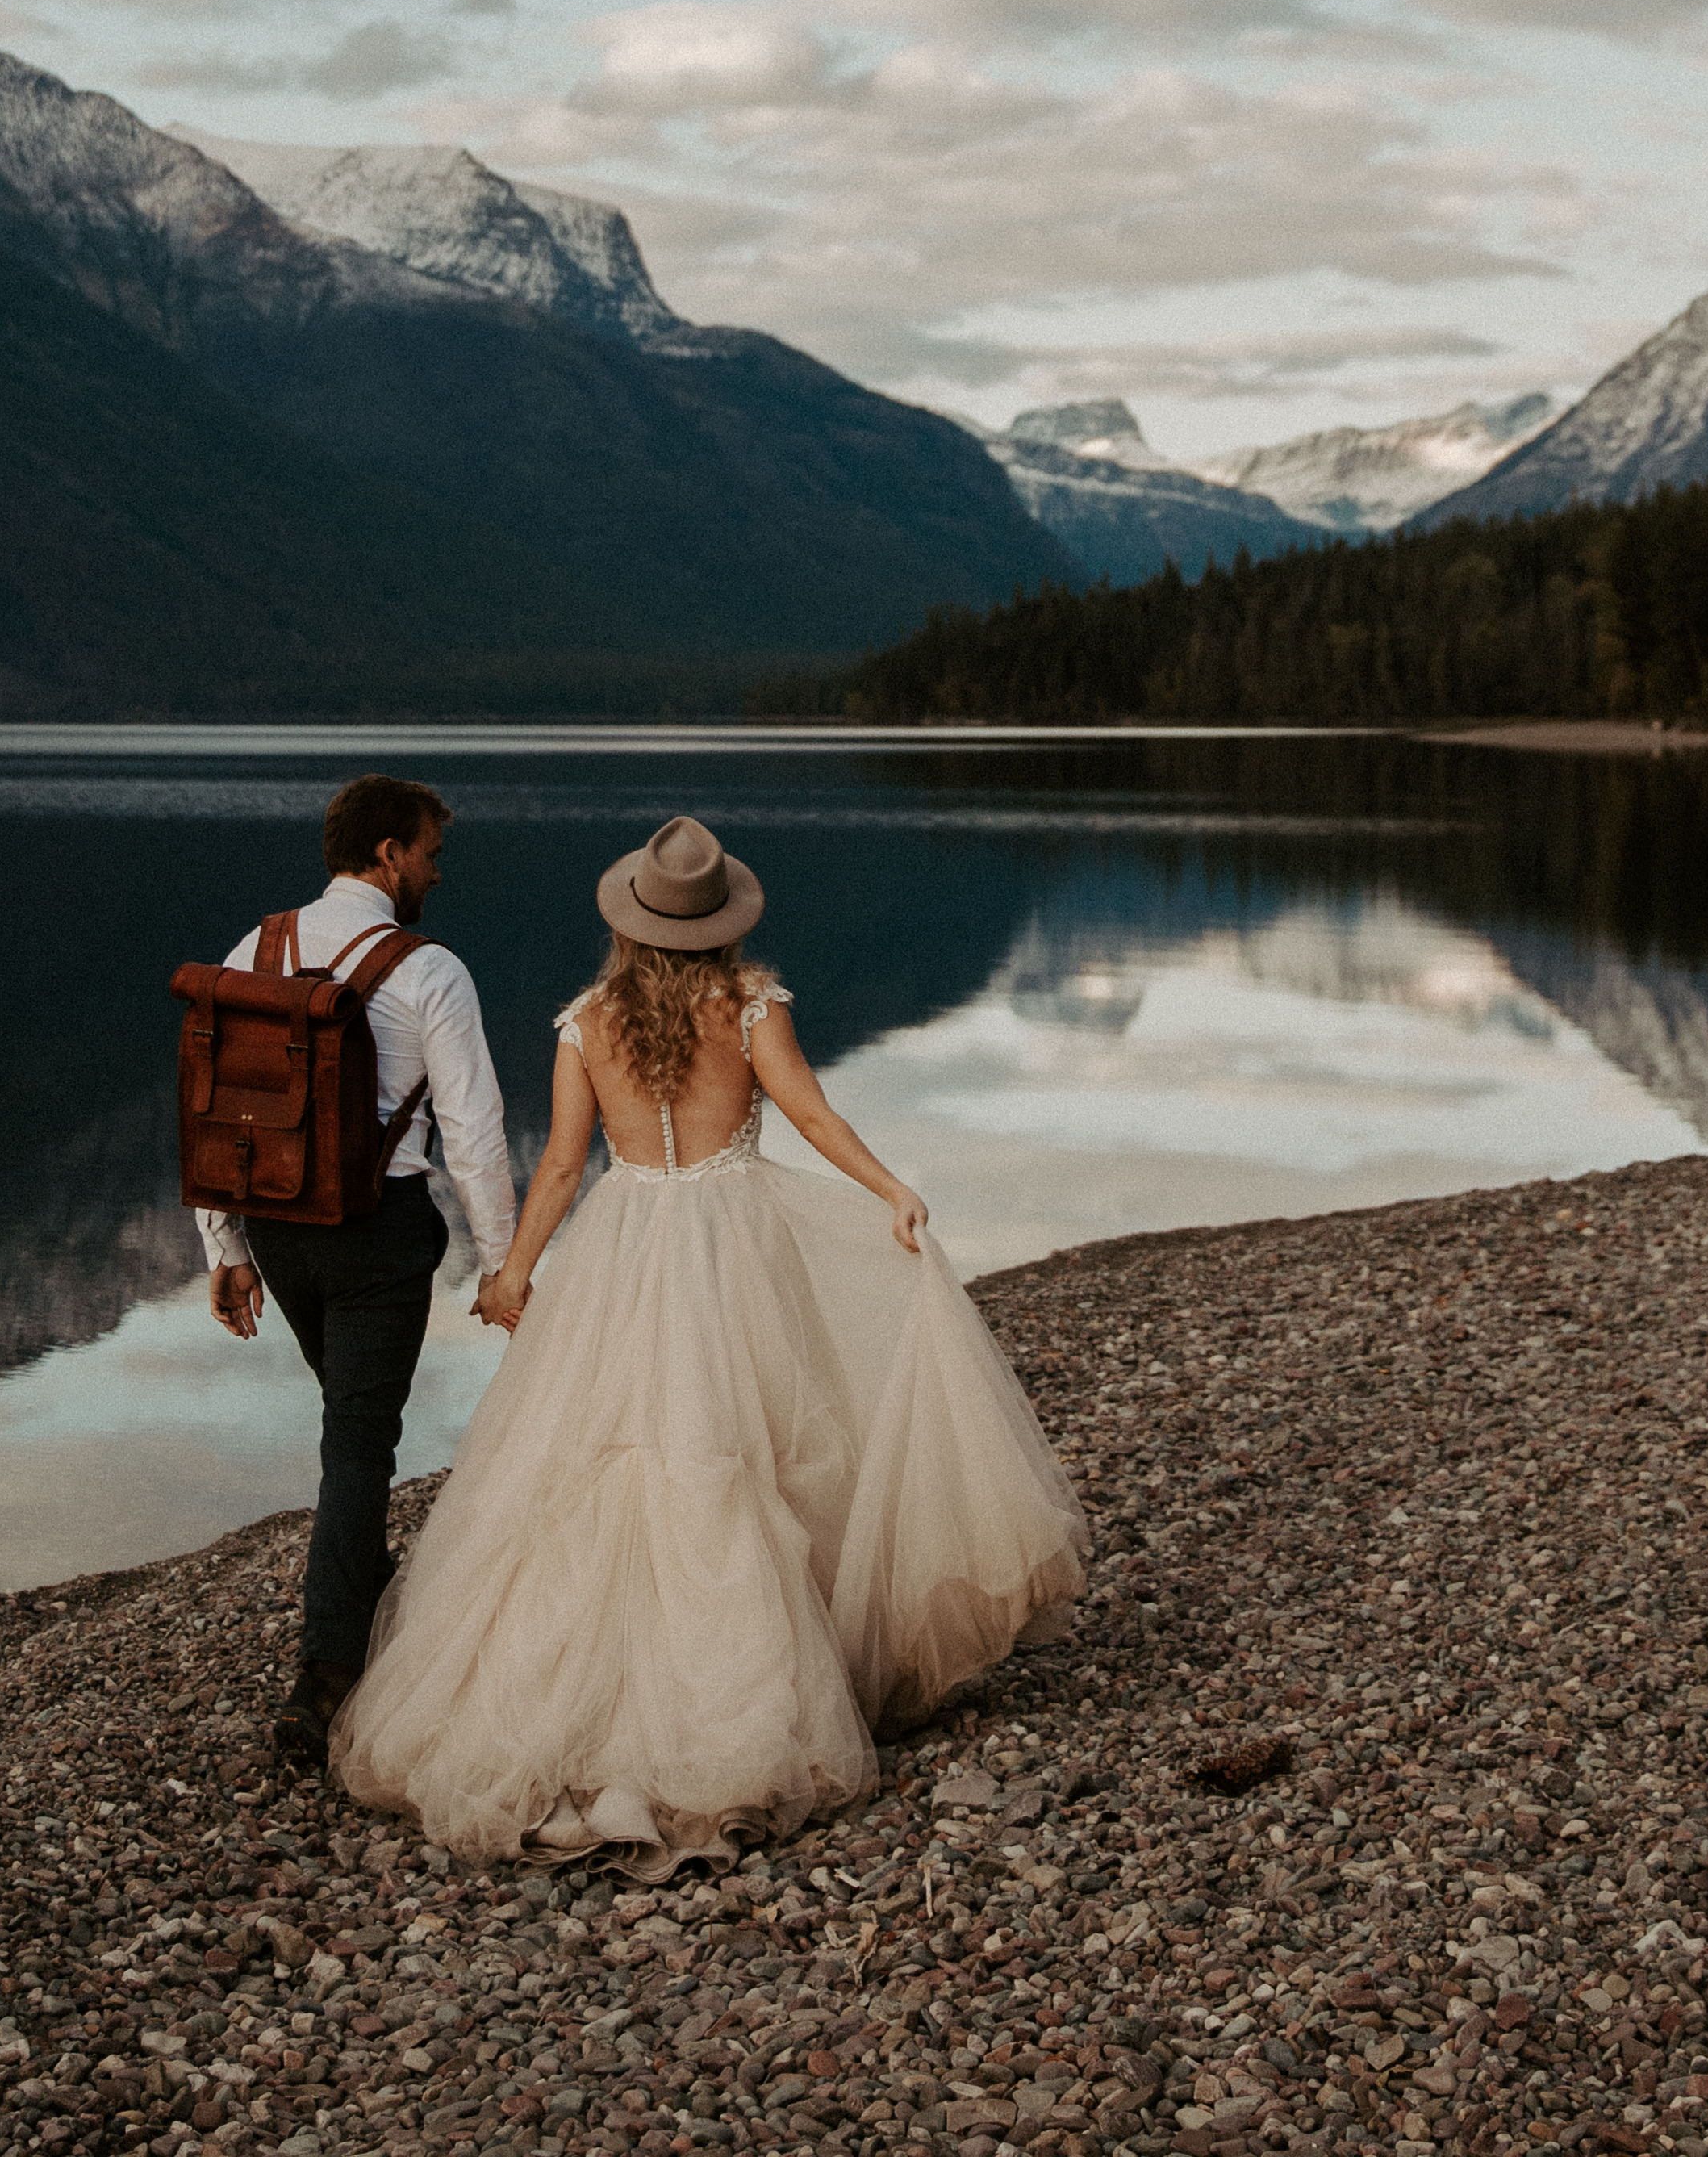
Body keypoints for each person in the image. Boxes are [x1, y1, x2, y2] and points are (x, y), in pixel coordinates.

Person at [329, 814, 1088, 1866]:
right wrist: (890, 1192)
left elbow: (557, 1169)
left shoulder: (587, 1023)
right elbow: (813, 1117)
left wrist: (513, 1272)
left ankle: (588, 1703)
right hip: (737, 1239)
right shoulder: (750, 1010)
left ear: (632, 922)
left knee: (605, 1460)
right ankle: (734, 1705)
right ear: (720, 921)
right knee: (747, 1453)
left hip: (626, 1244)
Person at [202, 771, 517, 1771]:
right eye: (428, 850)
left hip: (279, 1226)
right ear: (388, 854)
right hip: (377, 1232)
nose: (434, 868)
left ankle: (367, 1596)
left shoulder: (257, 947)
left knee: (351, 1419)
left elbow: (222, 1104)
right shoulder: (429, 969)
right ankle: (326, 1677)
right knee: (358, 1444)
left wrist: (227, 1247)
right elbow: (472, 1133)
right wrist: (504, 1264)